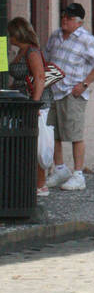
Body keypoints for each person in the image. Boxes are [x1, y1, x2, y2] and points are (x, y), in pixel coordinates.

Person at [44, 3, 94, 193]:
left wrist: (84, 84)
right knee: (54, 131)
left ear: (79, 22)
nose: (64, 20)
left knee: (75, 134)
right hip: (54, 89)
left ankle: (78, 174)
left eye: (69, 18)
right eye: (63, 16)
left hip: (73, 91)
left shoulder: (86, 39)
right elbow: (47, 57)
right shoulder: (56, 36)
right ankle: (60, 169)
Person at [8, 17, 48, 197]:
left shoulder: (31, 51)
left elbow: (40, 77)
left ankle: (40, 184)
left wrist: (35, 104)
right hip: (18, 101)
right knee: (23, 141)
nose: (8, 37)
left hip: (30, 101)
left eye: (10, 34)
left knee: (36, 143)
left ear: (17, 34)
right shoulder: (19, 52)